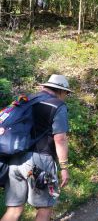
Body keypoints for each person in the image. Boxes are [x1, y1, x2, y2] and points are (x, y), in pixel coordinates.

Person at [1, 74, 71, 221]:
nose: (67, 96)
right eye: (67, 93)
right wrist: (64, 167)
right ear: (61, 91)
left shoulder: (26, 100)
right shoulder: (58, 105)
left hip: (14, 159)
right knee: (44, 208)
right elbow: (60, 138)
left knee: (14, 210)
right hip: (40, 162)